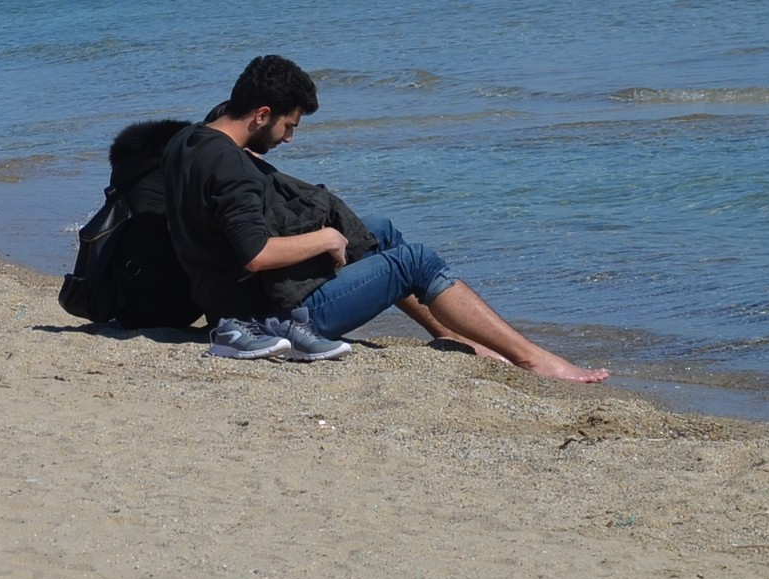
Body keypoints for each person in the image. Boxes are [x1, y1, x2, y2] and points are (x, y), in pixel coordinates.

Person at [161, 55, 608, 380]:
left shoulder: (190, 141)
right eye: (288, 126)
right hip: (271, 314)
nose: (290, 138)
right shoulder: (232, 169)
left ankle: (455, 335)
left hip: (226, 296)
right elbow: (256, 254)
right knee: (414, 260)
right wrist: (326, 240)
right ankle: (533, 358)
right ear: (262, 115)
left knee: (379, 229)